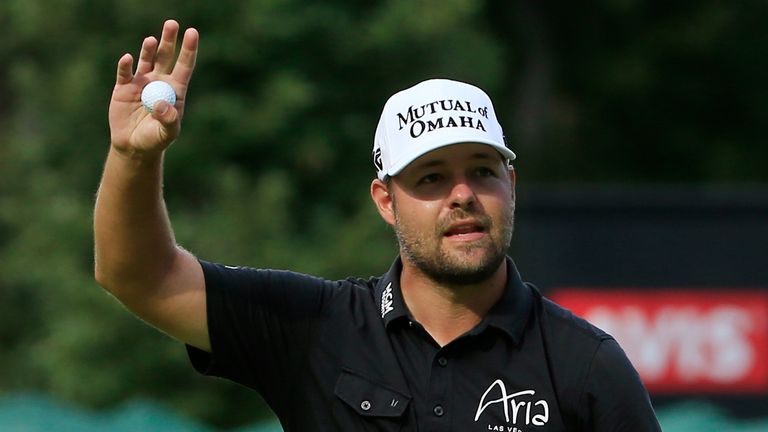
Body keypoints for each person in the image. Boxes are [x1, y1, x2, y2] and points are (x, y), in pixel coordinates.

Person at [95, 20, 662, 431]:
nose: (463, 195)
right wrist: (133, 158)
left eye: (482, 171)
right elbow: (139, 277)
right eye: (432, 178)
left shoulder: (585, 365)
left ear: (510, 185)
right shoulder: (314, 328)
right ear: (386, 201)